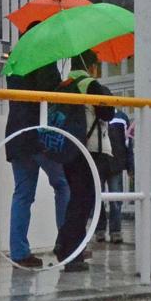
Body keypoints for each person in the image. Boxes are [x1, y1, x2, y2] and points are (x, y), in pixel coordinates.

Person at [5, 25, 71, 268]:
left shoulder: (15, 60)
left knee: (23, 193)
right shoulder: (42, 57)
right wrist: (63, 83)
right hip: (40, 135)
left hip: (16, 135)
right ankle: (67, 243)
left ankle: (19, 252)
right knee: (63, 185)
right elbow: (51, 90)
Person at [52, 51, 115, 270]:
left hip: (69, 149)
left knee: (75, 200)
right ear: (92, 66)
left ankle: (66, 245)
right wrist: (104, 91)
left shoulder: (64, 84)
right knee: (83, 202)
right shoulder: (90, 84)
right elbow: (108, 113)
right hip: (91, 151)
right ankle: (69, 251)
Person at [95, 110, 133, 244]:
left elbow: (128, 143)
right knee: (97, 199)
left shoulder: (122, 118)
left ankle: (115, 231)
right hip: (97, 164)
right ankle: (99, 230)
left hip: (116, 165)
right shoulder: (93, 114)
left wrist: (130, 166)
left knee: (116, 199)